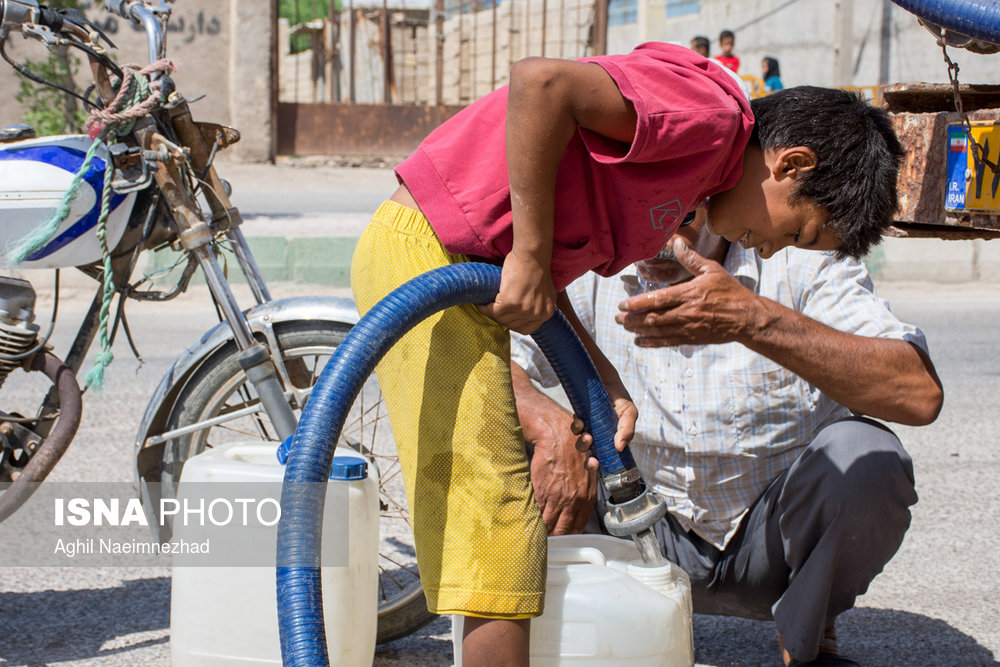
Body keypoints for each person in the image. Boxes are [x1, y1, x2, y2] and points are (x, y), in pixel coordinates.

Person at [350, 41, 904, 666]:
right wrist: (528, 256)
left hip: (464, 256)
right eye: (795, 231)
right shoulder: (712, 119)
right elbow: (543, 84)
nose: (774, 251)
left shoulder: (688, 185)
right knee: (492, 518)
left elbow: (557, 270)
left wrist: (602, 379)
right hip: (432, 249)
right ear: (790, 165)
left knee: (494, 520)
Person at [510, 210, 943, 666]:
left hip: (769, 550)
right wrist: (551, 425)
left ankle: (808, 643)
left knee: (866, 458)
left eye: (680, 211)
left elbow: (918, 393)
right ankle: (556, 630)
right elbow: (501, 356)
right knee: (506, 438)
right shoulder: (593, 270)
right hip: (636, 530)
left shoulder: (800, 261)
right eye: (641, 206)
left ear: (717, 195)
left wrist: (752, 320)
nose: (656, 230)